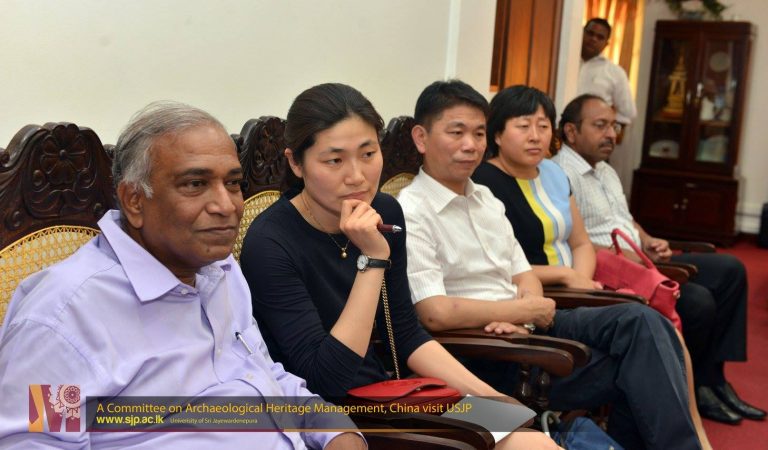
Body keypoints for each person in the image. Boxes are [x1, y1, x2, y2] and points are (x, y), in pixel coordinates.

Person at [0, 101, 364, 449]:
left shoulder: (220, 271)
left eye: (233, 183)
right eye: (195, 184)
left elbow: (263, 376)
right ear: (134, 201)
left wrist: (335, 431)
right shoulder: (63, 320)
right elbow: (37, 443)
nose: (226, 205)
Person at [240, 83, 561, 450]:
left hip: (393, 395)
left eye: (368, 153)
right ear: (296, 163)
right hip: (332, 420)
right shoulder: (270, 242)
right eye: (334, 161)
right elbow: (325, 377)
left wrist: (491, 398)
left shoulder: (385, 210)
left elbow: (406, 333)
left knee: (529, 439)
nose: (357, 176)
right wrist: (373, 260)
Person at [398, 79, 702, 450]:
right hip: (487, 350)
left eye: (478, 133)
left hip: (527, 327)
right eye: (456, 132)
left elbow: (523, 272)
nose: (471, 145)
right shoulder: (411, 211)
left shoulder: (485, 199)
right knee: (638, 370)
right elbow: (434, 313)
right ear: (421, 138)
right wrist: (518, 311)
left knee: (642, 322)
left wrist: (528, 309)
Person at [553, 94, 765, 425]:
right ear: (571, 131)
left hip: (641, 259)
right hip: (615, 270)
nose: (611, 134)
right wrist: (626, 255)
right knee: (698, 301)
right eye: (600, 126)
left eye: (614, 126)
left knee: (731, 269)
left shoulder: (605, 170)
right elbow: (571, 239)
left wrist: (648, 240)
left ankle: (714, 380)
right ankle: (692, 388)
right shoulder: (559, 174)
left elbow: (624, 219)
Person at [578, 18, 636, 129]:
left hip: (592, 134)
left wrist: (605, 128)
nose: (593, 39)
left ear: (606, 44)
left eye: (600, 37)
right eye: (590, 33)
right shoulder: (563, 60)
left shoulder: (615, 73)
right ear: (582, 33)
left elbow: (628, 113)